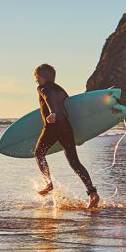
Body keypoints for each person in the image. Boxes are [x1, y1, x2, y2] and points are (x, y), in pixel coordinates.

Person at [33, 63, 99, 209]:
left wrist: (52, 113)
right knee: (75, 163)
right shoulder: (61, 89)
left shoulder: (42, 88)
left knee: (39, 153)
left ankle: (48, 183)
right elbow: (71, 110)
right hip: (66, 128)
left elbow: (48, 96)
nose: (36, 82)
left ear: (42, 78)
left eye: (37, 78)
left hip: (52, 127)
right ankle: (92, 193)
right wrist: (80, 135)